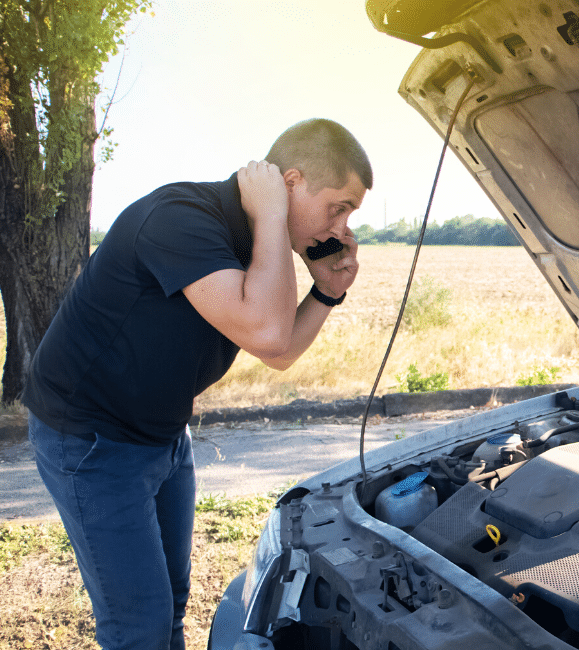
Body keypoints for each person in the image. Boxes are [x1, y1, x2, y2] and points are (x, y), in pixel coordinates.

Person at [23, 118, 372, 650]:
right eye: (338, 208)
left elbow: (277, 351)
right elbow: (269, 329)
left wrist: (325, 292)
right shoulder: (182, 219)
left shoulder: (254, 236)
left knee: (173, 602)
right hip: (90, 438)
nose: (340, 229)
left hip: (161, 432)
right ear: (292, 181)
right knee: (138, 621)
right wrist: (275, 216)